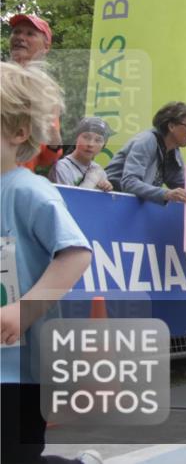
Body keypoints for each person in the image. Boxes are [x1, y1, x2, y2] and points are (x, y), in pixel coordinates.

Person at [0, 62, 100, 464]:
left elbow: (76, 254)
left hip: (18, 373)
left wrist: (25, 310)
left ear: (17, 132)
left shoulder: (28, 191)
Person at [104, 102, 186, 205]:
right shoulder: (147, 140)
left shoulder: (174, 151)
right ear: (171, 126)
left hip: (129, 206)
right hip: (109, 201)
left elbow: (184, 186)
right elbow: (129, 183)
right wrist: (166, 194)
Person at [8, 14, 61, 174]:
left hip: (15, 183)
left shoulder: (48, 92)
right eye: (16, 32)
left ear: (46, 47)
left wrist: (54, 138)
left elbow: (46, 158)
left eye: (30, 34)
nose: (20, 37)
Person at [49, 117, 113, 191]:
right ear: (76, 138)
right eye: (86, 137)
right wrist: (91, 181)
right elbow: (68, 201)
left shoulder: (99, 170)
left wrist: (106, 189)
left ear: (103, 146)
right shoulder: (62, 168)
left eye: (98, 140)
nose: (91, 144)